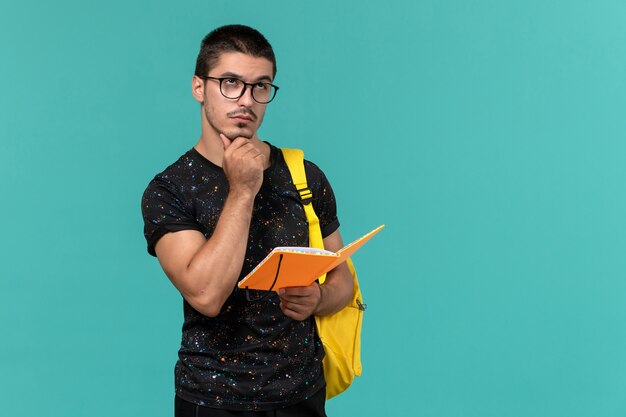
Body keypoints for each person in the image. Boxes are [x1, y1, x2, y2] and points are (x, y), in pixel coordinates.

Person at [141, 25, 354, 417]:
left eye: (260, 86)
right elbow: (205, 295)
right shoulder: (169, 189)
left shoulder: (305, 176)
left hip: (303, 394)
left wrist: (319, 298)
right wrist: (242, 190)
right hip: (212, 399)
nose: (246, 100)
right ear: (198, 88)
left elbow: (344, 280)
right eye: (230, 83)